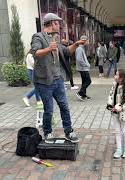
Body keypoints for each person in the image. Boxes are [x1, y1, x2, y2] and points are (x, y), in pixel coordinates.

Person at [30, 13, 86, 143]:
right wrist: (49, 48)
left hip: (58, 80)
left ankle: (68, 131)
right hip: (45, 81)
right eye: (57, 23)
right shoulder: (38, 37)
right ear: (52, 23)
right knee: (49, 110)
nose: (59, 26)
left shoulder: (55, 39)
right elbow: (35, 53)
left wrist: (77, 44)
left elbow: (67, 51)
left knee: (64, 106)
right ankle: (48, 132)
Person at [106, 69, 125, 159]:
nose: (115, 76)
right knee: (117, 131)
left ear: (122, 78)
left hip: (124, 114)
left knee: (124, 131)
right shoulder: (114, 85)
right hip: (114, 113)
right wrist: (110, 105)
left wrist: (120, 107)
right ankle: (119, 148)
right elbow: (111, 95)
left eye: (116, 75)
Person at [75, 35, 92, 101]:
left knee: (84, 81)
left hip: (83, 68)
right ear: (84, 41)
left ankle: (83, 95)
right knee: (88, 81)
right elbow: (79, 59)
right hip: (83, 68)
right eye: (87, 40)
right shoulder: (79, 48)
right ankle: (80, 93)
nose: (87, 42)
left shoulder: (81, 48)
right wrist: (86, 65)